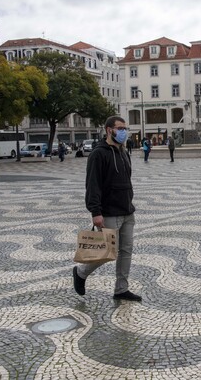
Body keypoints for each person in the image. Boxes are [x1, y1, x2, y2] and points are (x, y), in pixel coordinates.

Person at [73, 116, 141, 301]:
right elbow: (93, 184)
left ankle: (121, 289)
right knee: (106, 252)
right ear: (109, 129)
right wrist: (96, 212)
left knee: (126, 252)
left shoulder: (124, 152)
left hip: (127, 210)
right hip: (109, 212)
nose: (123, 131)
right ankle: (81, 273)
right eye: (120, 128)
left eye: (125, 128)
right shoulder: (99, 154)